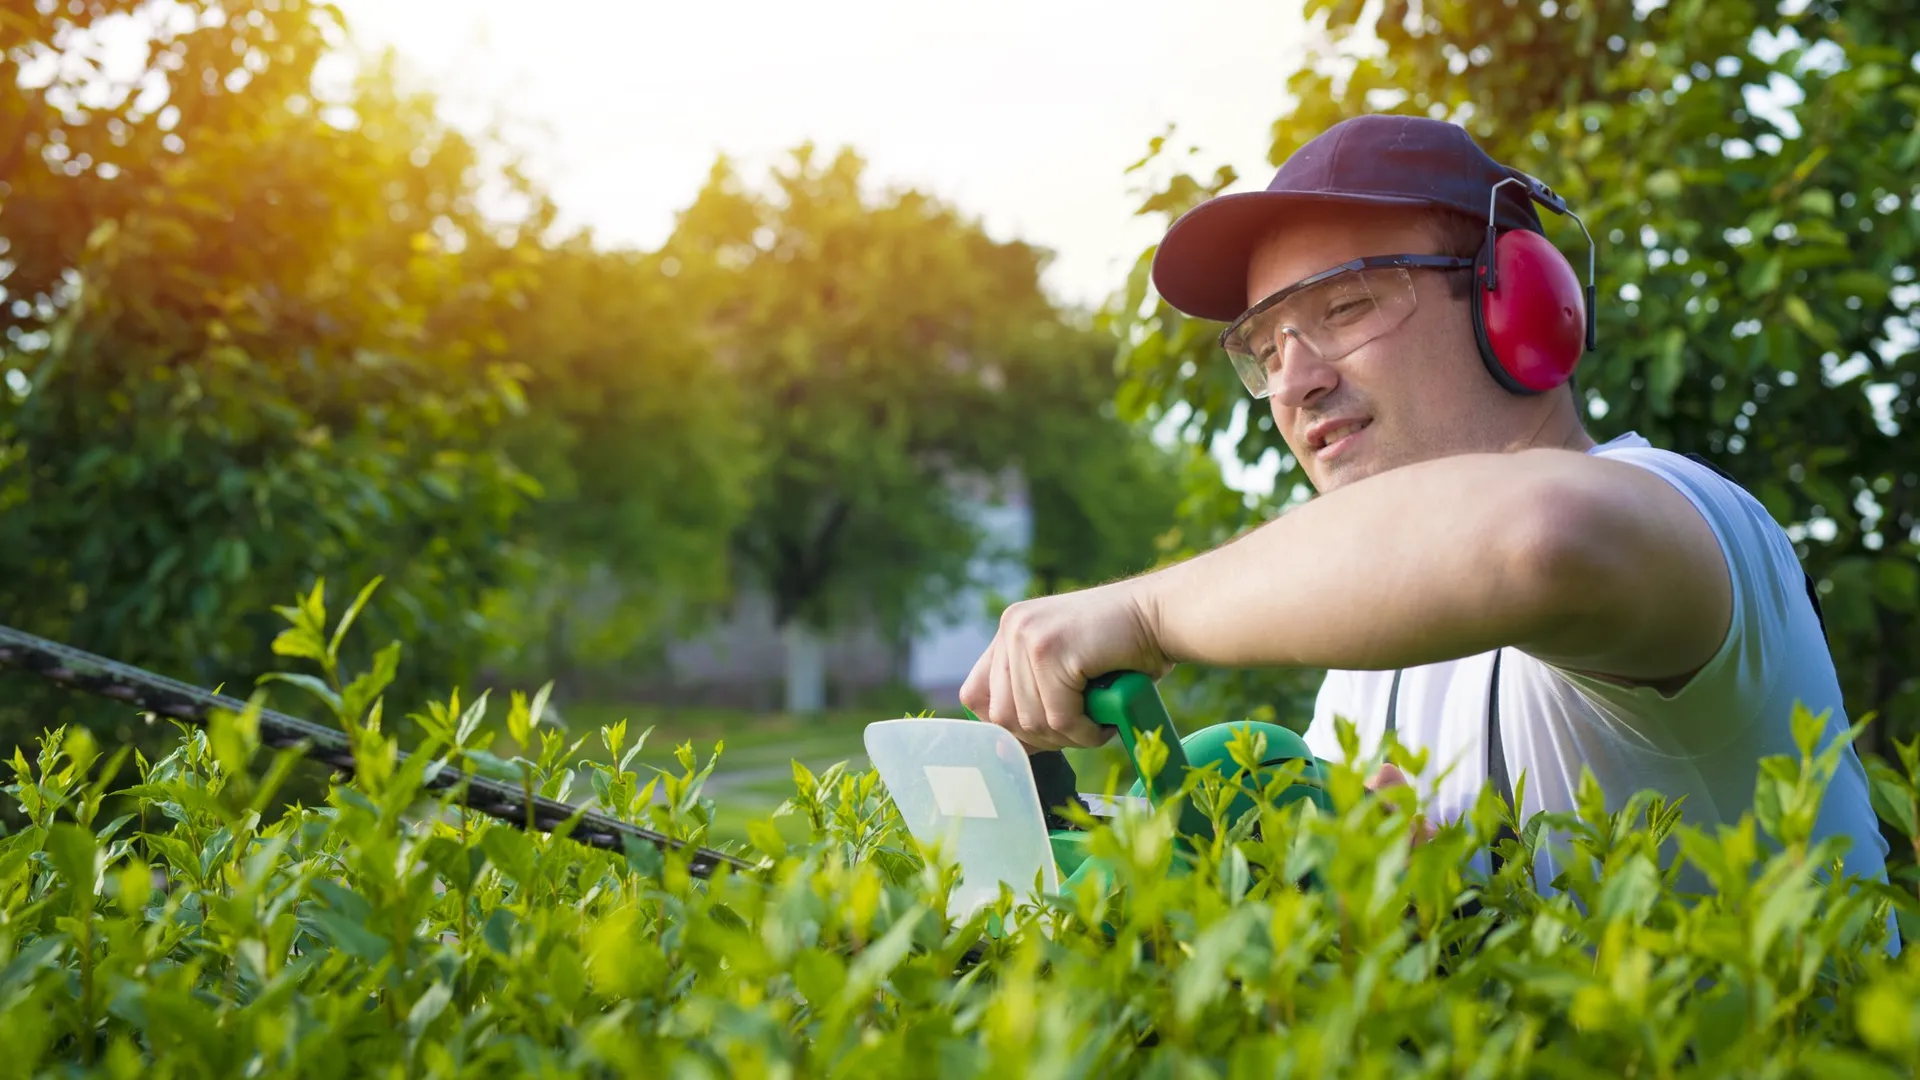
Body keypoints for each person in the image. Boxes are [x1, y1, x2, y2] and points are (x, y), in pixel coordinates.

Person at [958, 114, 1891, 906]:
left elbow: (1538, 538)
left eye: (1348, 307)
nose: (1297, 383)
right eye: (1265, 348)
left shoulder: (1687, 520)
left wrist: (1145, 612)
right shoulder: (1371, 655)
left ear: (1517, 302)